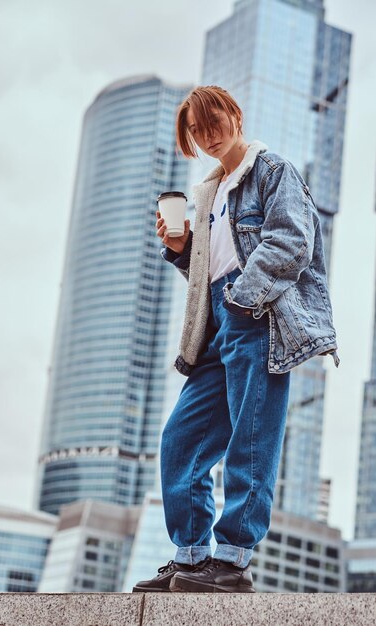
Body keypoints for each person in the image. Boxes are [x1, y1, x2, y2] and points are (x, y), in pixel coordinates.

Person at [132, 85, 340, 594]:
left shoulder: (271, 171)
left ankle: (231, 561)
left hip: (257, 314)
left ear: (234, 114)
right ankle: (191, 558)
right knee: (181, 440)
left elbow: (292, 241)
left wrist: (242, 299)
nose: (207, 135)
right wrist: (182, 249)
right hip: (214, 325)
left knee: (251, 440)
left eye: (213, 121)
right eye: (196, 131)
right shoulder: (208, 192)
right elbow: (207, 270)